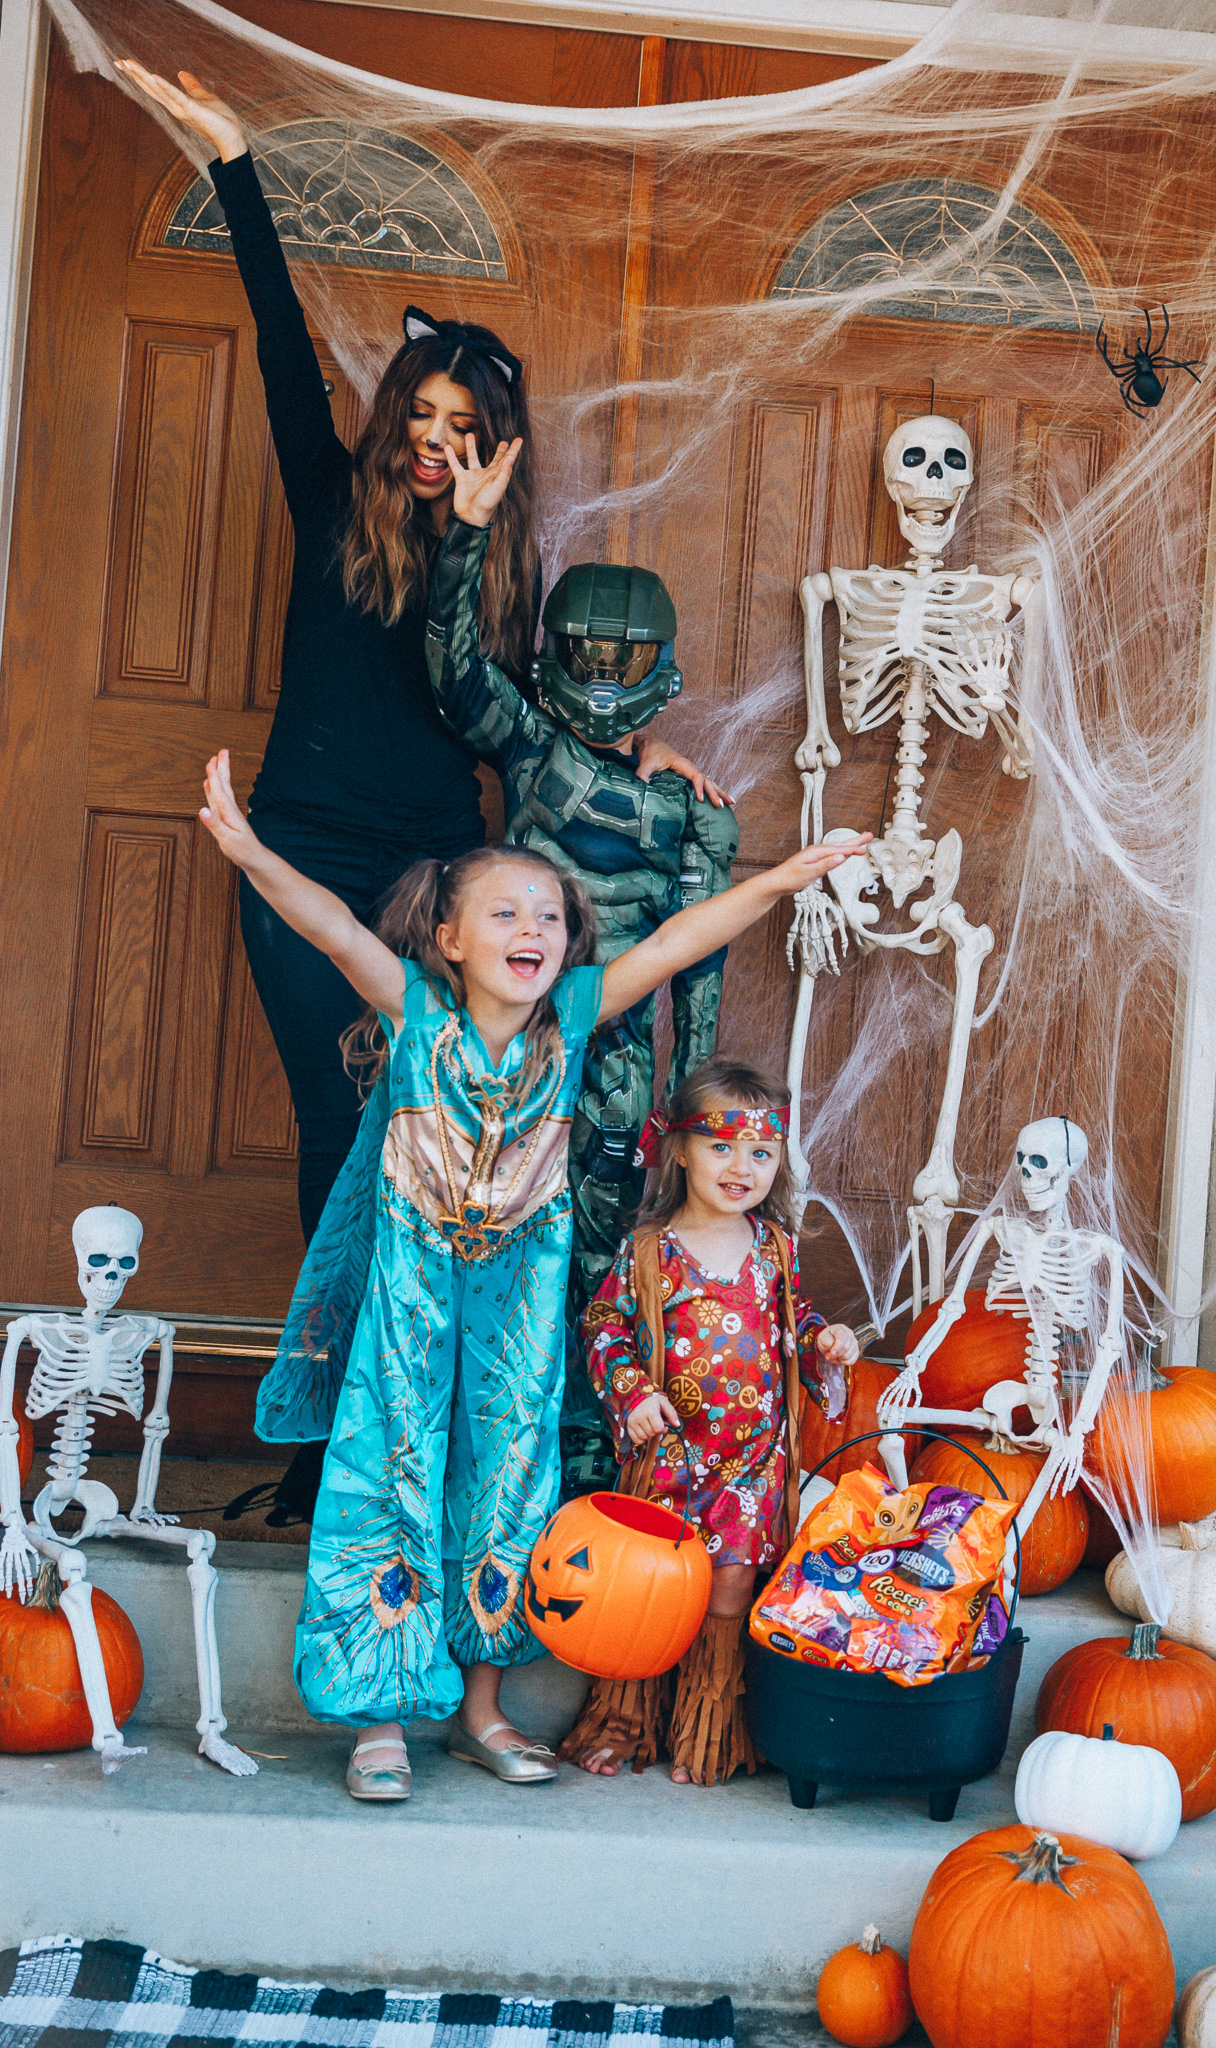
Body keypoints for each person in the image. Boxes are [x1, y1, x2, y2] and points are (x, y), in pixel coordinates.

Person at [116, 63, 720, 1524]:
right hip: (310, 847)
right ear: (396, 419)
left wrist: (643, 750)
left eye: (468, 425)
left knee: (436, 1138)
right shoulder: (330, 502)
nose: (438, 438)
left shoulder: (494, 574)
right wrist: (233, 160)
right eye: (425, 414)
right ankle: (325, 1447)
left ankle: (418, 1433)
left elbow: (534, 709)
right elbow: (270, 329)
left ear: (493, 448)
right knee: (336, 1140)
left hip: (440, 871)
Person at [195, 745, 868, 1801]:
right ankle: (381, 1715)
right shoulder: (416, 1010)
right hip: (411, 1298)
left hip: (515, 1303)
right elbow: (327, 923)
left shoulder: (573, 1017)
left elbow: (681, 937)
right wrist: (248, 849)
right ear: (449, 939)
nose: (534, 931)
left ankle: (480, 1708)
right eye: (506, 914)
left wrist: (778, 881)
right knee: (391, 1467)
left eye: (550, 915)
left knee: (508, 1476)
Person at [425, 470, 739, 1499]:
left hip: (612, 1064)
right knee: (485, 1237)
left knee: (602, 1252)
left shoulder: (690, 812)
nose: (604, 674)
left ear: (659, 665)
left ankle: (590, 1462)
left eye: (625, 657)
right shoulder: (530, 742)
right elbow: (455, 666)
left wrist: (690, 1121)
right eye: (587, 654)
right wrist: (464, 535)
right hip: (506, 1039)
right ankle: (474, 1450)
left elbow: (697, 965)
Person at [558, 1057, 861, 1787]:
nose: (741, 1166)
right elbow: (603, 1324)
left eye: (761, 1152)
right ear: (682, 1148)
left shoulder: (775, 1249)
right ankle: (625, 1724)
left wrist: (824, 1341)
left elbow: (795, 1322)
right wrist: (631, 1393)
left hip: (750, 1465)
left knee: (727, 1593)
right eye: (721, 1146)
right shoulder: (650, 1251)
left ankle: (709, 1734)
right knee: (654, 1591)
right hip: (670, 1457)